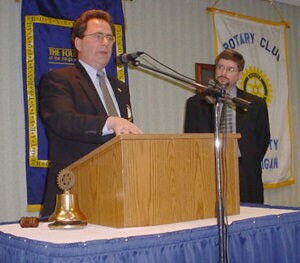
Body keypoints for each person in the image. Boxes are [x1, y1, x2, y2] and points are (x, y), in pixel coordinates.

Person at [39, 9, 143, 218]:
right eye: (97, 36)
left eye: (109, 38)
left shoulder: (120, 88)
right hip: (75, 191)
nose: (105, 43)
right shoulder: (58, 80)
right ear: (78, 43)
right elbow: (63, 121)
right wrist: (110, 122)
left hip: (118, 191)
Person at [184, 49, 270, 204]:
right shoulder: (196, 103)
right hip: (208, 171)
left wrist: (246, 160)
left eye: (230, 69)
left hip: (245, 172)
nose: (224, 72)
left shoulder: (255, 104)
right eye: (220, 67)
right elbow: (190, 139)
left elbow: (262, 139)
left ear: (240, 74)